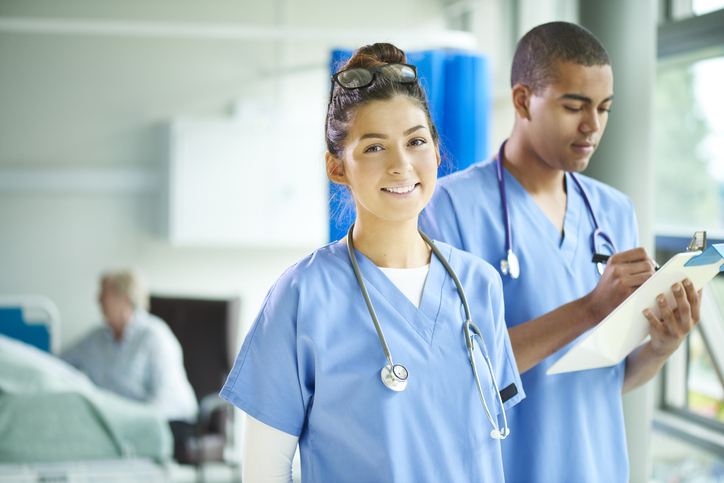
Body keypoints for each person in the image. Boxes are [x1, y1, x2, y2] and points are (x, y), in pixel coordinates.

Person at [220, 42, 524, 482]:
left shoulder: (478, 284)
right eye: (374, 148)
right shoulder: (302, 296)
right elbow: (264, 471)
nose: (402, 164)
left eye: (416, 141)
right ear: (337, 167)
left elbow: (491, 444)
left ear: (437, 153)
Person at [419, 21, 702, 482]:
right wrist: (591, 308)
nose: (592, 125)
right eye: (575, 106)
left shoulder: (614, 210)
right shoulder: (448, 210)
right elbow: (453, 373)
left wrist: (661, 346)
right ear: (522, 100)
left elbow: (607, 378)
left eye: (604, 108)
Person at [62, 269, 198, 426]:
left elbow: (164, 398)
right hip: (120, 424)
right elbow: (61, 363)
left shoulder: (154, 337)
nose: (98, 300)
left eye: (105, 294)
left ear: (124, 299)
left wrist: (132, 423)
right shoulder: (96, 339)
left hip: (168, 422)